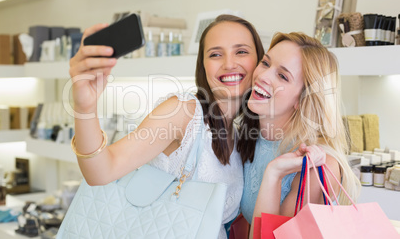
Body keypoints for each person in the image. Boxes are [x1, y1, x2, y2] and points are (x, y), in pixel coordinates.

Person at [68, 14, 265, 238]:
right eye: (215, 54)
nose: (229, 63)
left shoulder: (239, 135)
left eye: (241, 51)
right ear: (203, 65)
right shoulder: (183, 112)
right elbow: (101, 171)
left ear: (259, 62)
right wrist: (84, 108)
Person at [236, 32, 361, 237]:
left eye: (283, 76)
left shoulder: (318, 165)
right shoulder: (249, 138)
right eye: (266, 63)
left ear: (303, 99)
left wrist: (274, 173)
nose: (263, 76)